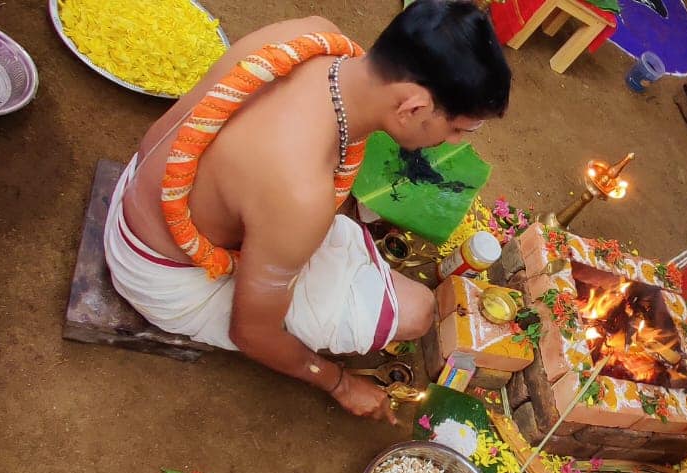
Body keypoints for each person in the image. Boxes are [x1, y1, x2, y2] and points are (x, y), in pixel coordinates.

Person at [103, 1, 512, 423]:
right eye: (458, 129)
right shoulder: (299, 192)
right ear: (412, 108)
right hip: (159, 271)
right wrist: (339, 382)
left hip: (145, 189)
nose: (451, 143)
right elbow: (253, 333)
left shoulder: (314, 37)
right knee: (416, 311)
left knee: (337, 240)